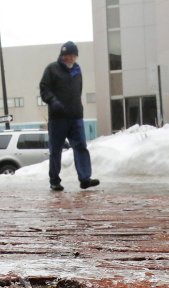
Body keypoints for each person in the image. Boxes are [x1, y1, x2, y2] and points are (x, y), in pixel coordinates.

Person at [39, 41, 98, 191]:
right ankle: (54, 180)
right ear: (62, 56)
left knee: (81, 147)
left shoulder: (77, 70)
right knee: (56, 150)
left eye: (73, 55)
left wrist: (78, 107)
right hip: (58, 118)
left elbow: (78, 91)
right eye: (67, 55)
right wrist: (54, 102)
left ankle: (85, 179)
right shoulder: (52, 69)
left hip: (76, 116)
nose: (71, 58)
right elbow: (44, 89)